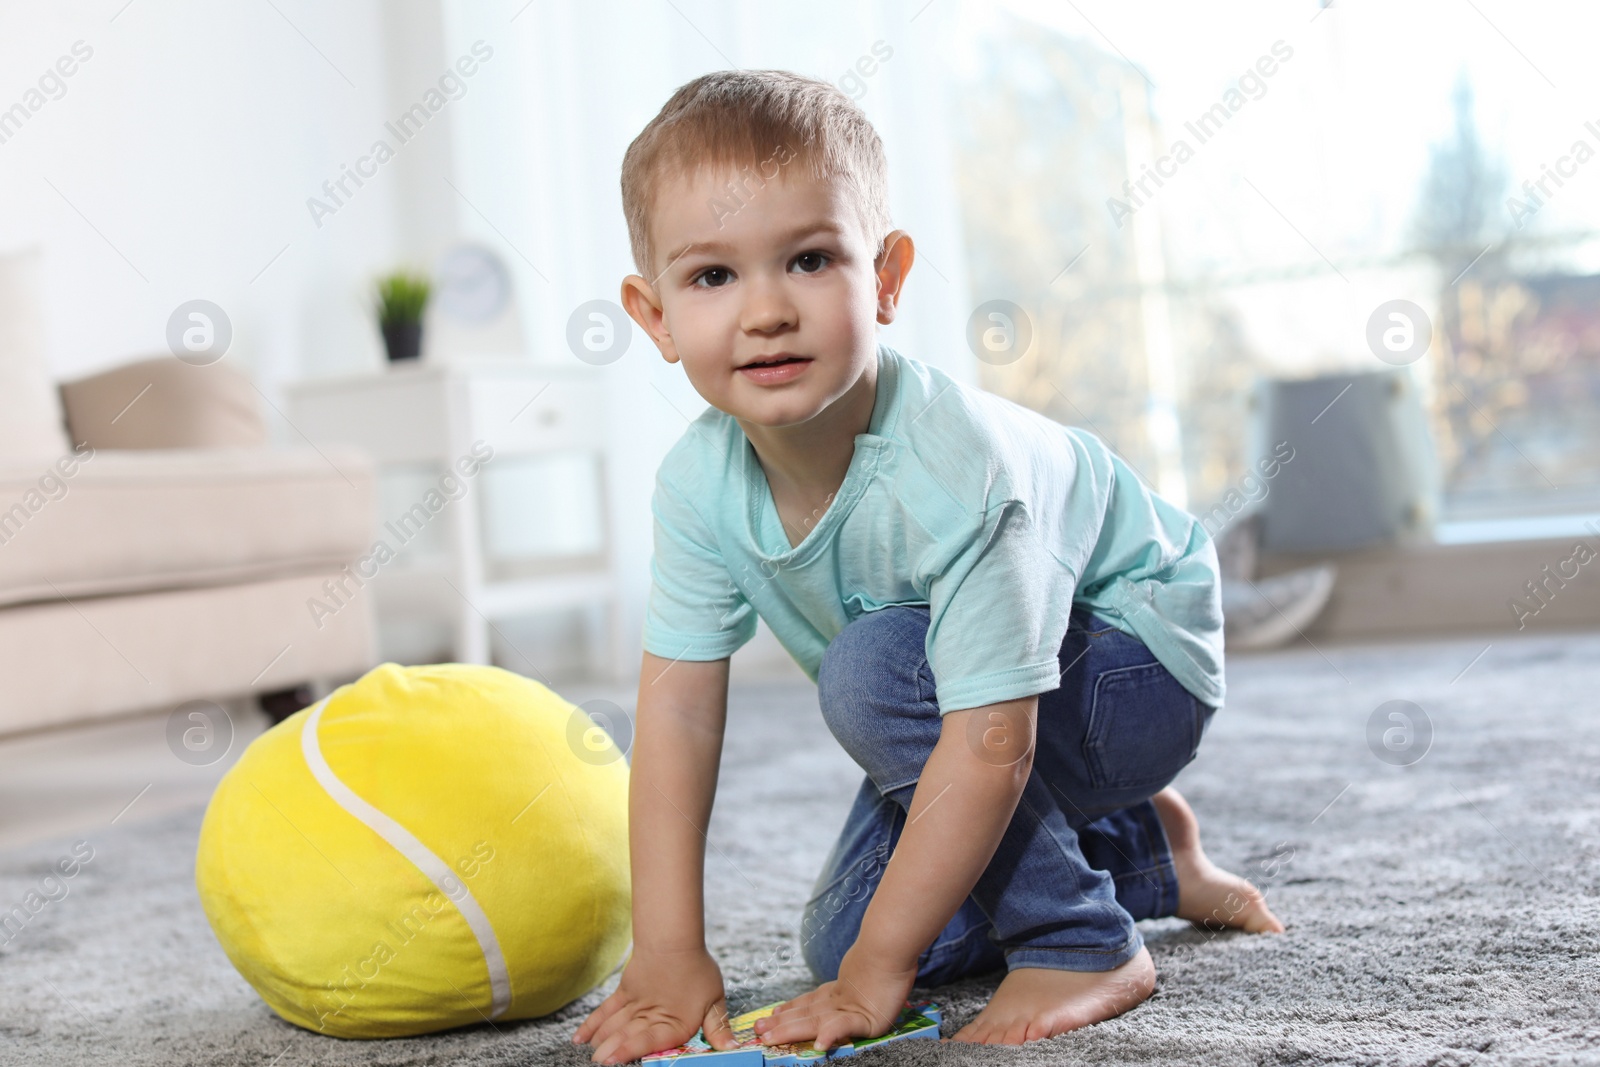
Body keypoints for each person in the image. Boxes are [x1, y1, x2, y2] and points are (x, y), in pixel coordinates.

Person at [572, 69, 1283, 1065]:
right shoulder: (696, 485)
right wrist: (668, 949)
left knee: (872, 681)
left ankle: (1080, 938)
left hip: (1135, 659)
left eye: (811, 258)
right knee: (849, 929)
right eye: (712, 277)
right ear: (653, 317)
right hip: (964, 682)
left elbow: (991, 742)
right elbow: (678, 713)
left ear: (888, 276)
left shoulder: (950, 465)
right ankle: (1138, 850)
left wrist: (875, 975)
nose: (766, 309)